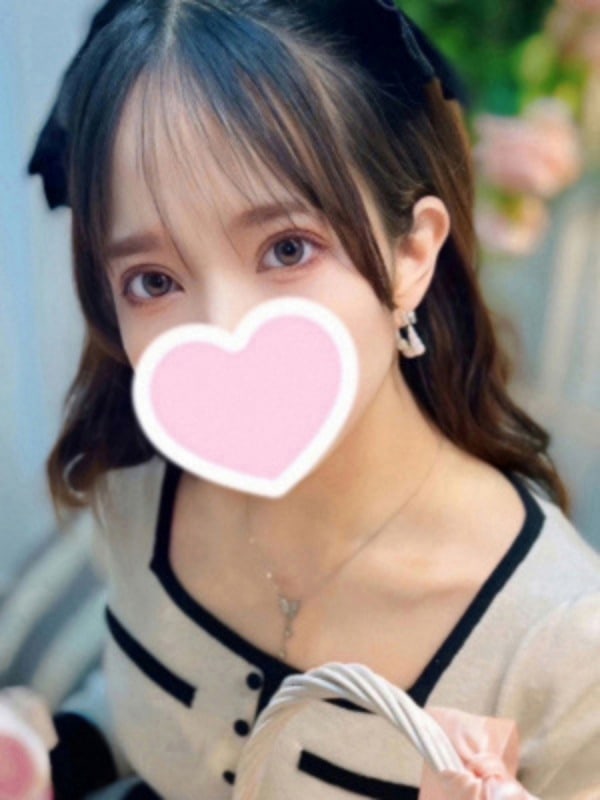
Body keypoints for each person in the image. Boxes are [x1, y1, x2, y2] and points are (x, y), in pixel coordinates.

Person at [12, 0, 600, 797]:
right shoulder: (138, 492)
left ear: (412, 251)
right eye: (154, 281)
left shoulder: (565, 647)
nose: (222, 329)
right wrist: (49, 757)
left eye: (287, 248)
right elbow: (146, 701)